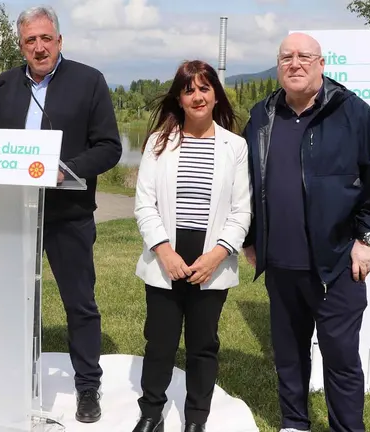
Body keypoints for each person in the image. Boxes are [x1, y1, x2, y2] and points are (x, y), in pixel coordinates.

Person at [241, 32, 370, 432]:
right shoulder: (262, 116)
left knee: (342, 358)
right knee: (290, 355)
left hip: (338, 264)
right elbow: (245, 183)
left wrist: (368, 240)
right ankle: (294, 423)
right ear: (278, 66)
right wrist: (250, 238)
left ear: (322, 64)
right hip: (280, 263)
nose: (295, 63)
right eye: (286, 57)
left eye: (304, 56)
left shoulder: (352, 112)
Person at [0, 5, 121, 423]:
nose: (39, 47)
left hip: (68, 214)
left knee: (79, 304)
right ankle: (13, 382)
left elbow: (109, 146)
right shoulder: (3, 84)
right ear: (20, 45)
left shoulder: (89, 81)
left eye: (46, 39)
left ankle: (87, 388)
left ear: (59, 40)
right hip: (12, 216)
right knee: (12, 304)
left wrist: (67, 169)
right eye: (30, 41)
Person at [132, 60, 253, 432]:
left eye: (204, 88)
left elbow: (241, 210)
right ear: (179, 99)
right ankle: (151, 412)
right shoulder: (158, 143)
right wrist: (164, 252)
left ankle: (196, 418)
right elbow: (144, 204)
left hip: (211, 260)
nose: (197, 96)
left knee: (203, 344)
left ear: (216, 95)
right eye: (189, 90)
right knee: (160, 343)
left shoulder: (235, 146)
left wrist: (218, 254)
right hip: (165, 257)